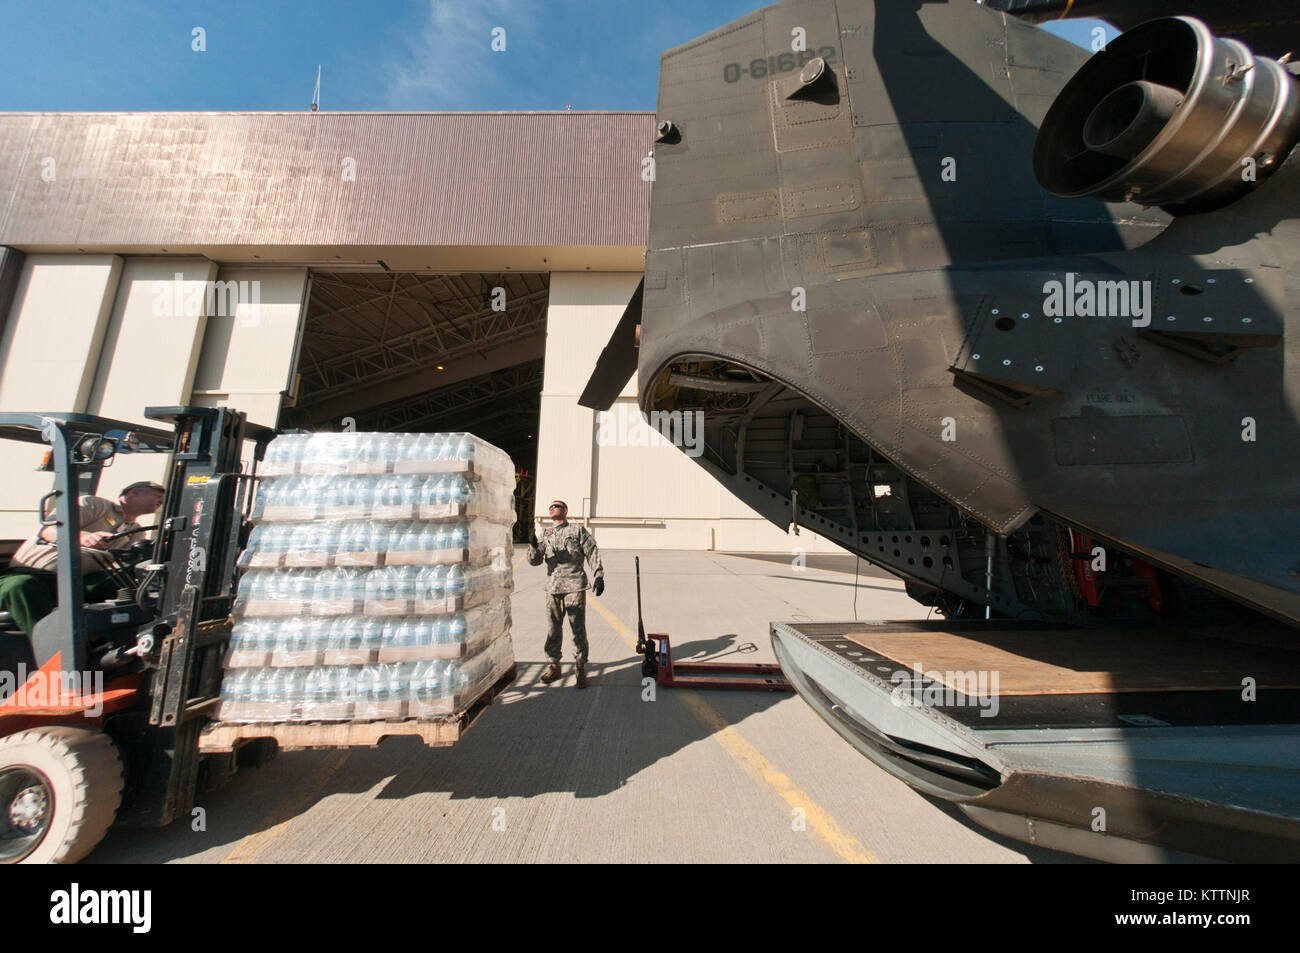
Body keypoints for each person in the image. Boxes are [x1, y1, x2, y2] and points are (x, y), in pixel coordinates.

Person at [0, 481, 166, 638]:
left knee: (140, 578)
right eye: (157, 495)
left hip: (77, 581)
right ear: (134, 493)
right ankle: (55, 649)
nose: (161, 501)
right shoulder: (94, 505)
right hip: (34, 574)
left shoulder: (136, 531)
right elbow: (49, 531)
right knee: (19, 586)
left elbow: (126, 561)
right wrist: (82, 537)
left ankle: (138, 638)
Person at [527, 500, 604, 688]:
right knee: (553, 629)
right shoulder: (546, 533)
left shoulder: (577, 530)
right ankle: (554, 666)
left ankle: (580, 667)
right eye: (551, 506)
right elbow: (534, 561)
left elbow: (592, 551)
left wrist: (598, 575)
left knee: (577, 628)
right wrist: (533, 546)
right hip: (552, 587)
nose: (553, 507)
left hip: (574, 586)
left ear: (566, 511)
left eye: (558, 506)